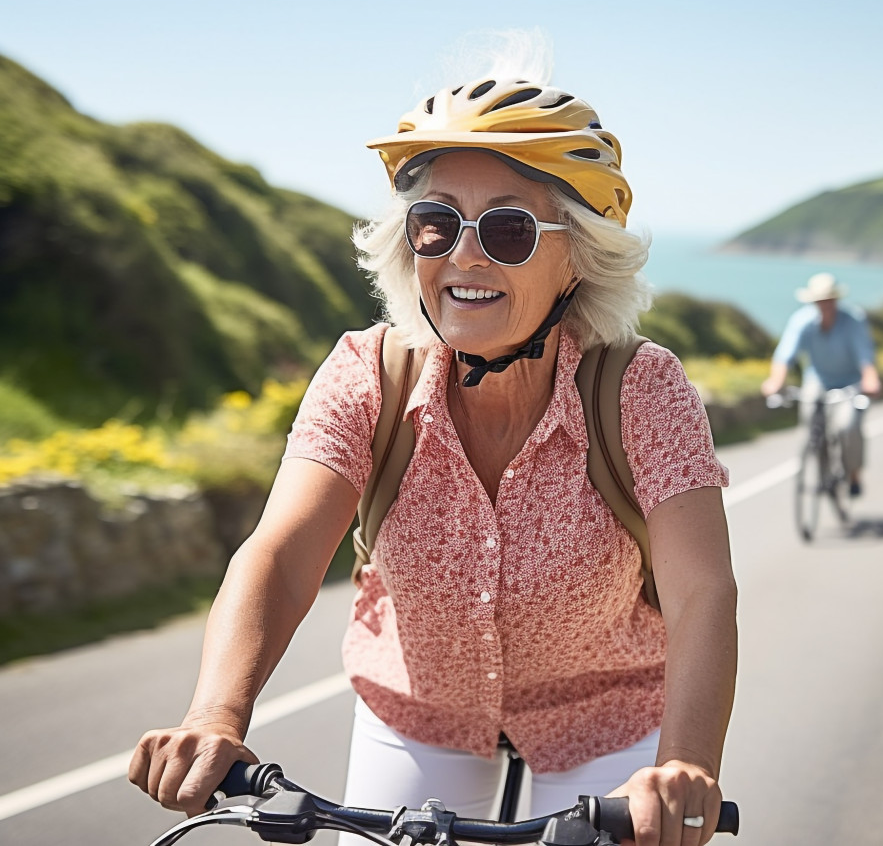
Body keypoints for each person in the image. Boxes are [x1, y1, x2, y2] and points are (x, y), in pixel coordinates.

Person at [128, 66, 738, 846]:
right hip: (420, 712)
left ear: (578, 257)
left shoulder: (642, 388)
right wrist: (215, 713)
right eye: (436, 224)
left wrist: (683, 765)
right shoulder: (367, 375)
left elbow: (702, 593)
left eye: (510, 229)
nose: (465, 257)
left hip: (609, 720)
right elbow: (280, 557)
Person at [761, 272, 881, 496]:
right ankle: (824, 473)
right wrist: (776, 381)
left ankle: (853, 473)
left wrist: (871, 379)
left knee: (848, 426)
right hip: (818, 379)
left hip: (850, 383)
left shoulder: (853, 320)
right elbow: (785, 355)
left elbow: (865, 355)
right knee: (811, 428)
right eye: (819, 300)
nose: (824, 304)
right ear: (813, 301)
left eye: (828, 299)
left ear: (836, 299)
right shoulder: (802, 321)